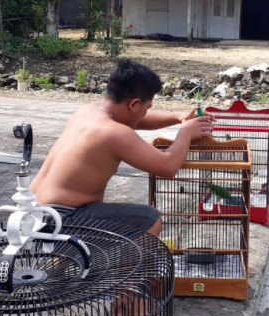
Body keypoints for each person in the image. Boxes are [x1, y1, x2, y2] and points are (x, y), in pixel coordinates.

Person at [30, 58, 213, 239]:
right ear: (133, 104)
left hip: (31, 210)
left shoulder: (88, 111)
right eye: (146, 107)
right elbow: (168, 166)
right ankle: (133, 270)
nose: (145, 113)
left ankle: (60, 265)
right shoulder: (115, 133)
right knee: (149, 219)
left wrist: (179, 117)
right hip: (60, 218)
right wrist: (186, 132)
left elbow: (136, 118)